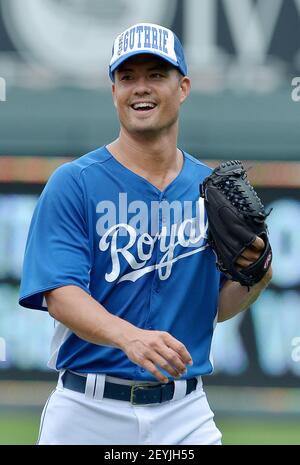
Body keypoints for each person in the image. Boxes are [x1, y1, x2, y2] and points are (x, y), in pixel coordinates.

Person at [19, 23, 272, 445]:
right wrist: (128, 337)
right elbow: (60, 295)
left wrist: (256, 276)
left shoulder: (211, 191)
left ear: (184, 87)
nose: (141, 88)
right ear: (114, 90)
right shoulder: (75, 183)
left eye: (156, 75)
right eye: (128, 77)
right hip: (88, 409)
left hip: (184, 412)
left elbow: (212, 310)